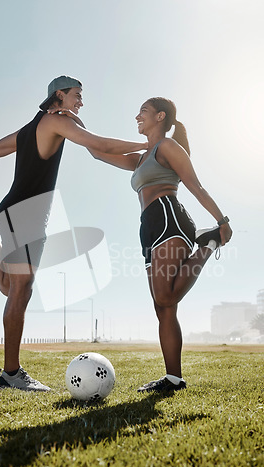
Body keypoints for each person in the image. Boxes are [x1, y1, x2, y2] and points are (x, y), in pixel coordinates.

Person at [0, 75, 147, 392]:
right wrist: (146, 144)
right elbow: (99, 145)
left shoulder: (32, 128)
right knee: (20, 291)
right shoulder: (57, 121)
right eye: (77, 95)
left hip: (10, 212)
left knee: (11, 289)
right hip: (27, 215)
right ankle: (11, 374)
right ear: (59, 95)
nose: (80, 101)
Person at [65, 96, 232, 393]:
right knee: (162, 306)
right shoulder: (141, 156)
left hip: (169, 217)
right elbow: (97, 153)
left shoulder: (167, 147)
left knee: (166, 299)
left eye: (143, 111)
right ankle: (173, 379)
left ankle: (208, 243)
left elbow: (195, 185)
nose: (137, 116)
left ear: (160, 117)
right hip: (149, 226)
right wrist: (76, 123)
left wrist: (222, 220)